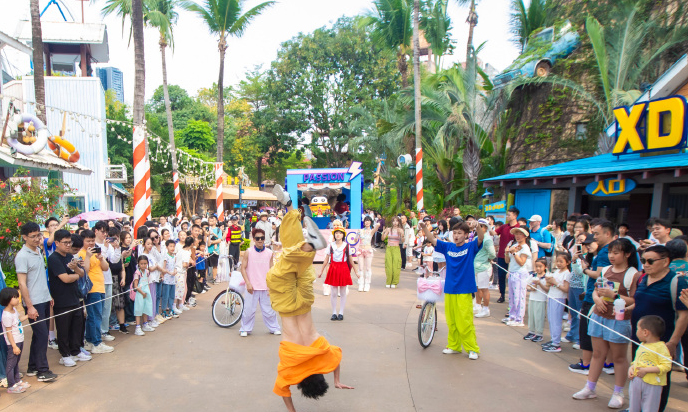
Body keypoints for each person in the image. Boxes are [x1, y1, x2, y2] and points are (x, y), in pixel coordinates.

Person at [268, 185, 352, 412]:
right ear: (301, 383)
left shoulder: (322, 354)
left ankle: (291, 211)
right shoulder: (290, 369)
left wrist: (336, 380)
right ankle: (295, 221)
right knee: (284, 263)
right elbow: (283, 390)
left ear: (319, 376)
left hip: (304, 302)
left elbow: (337, 359)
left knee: (300, 263)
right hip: (286, 305)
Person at [573, 238, 641, 408]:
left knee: (618, 357)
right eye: (610, 252)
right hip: (599, 316)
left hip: (619, 320)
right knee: (597, 354)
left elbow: (635, 299)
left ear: (627, 254)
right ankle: (590, 387)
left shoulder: (633, 274)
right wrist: (597, 300)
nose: (611, 256)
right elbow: (596, 290)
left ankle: (618, 392)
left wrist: (614, 296)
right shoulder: (606, 270)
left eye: (616, 253)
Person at [631, 245, 688, 412]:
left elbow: (683, 315)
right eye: (643, 261)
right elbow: (640, 302)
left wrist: (673, 342)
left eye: (650, 261)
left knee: (658, 379)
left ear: (665, 262)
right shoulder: (642, 278)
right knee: (639, 374)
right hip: (639, 338)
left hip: (661, 342)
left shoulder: (677, 281)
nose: (645, 264)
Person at [420, 220, 485, 359]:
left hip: (464, 289)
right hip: (450, 288)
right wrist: (424, 227)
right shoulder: (448, 246)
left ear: (466, 235)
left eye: (460, 233)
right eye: (454, 233)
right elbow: (432, 239)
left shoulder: (470, 247)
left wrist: (477, 226)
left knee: (465, 321)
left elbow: (481, 238)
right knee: (452, 320)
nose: (456, 235)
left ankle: (472, 348)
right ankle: (454, 345)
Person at [570, 221, 614, 375]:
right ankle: (608, 363)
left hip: (595, 296)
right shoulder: (607, 250)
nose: (592, 239)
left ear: (607, 234)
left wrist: (586, 269)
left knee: (587, 330)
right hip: (598, 295)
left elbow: (598, 274)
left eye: (596, 234)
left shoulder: (604, 252)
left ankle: (586, 364)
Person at [15, 222, 57, 381]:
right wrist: (30, 306)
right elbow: (22, 283)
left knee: (40, 335)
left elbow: (40, 277)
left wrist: (49, 295)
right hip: (34, 303)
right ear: (24, 237)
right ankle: (42, 371)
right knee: (42, 335)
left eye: (38, 235)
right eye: (33, 236)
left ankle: (33, 367)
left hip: (44, 298)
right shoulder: (22, 256)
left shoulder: (38, 251)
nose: (37, 239)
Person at [48, 229, 91, 367]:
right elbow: (65, 279)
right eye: (65, 242)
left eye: (69, 242)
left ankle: (75, 351)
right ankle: (65, 354)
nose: (68, 245)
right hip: (61, 299)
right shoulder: (54, 258)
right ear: (57, 243)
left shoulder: (69, 256)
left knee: (76, 326)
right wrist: (77, 275)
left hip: (74, 297)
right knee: (63, 329)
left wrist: (77, 271)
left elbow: (82, 273)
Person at [239, 228, 281, 336]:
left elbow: (272, 269)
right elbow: (243, 268)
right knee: (248, 310)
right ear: (253, 239)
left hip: (265, 286)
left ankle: (274, 327)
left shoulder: (269, 253)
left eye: (262, 238)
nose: (260, 240)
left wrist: (272, 284)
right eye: (257, 238)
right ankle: (245, 328)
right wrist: (247, 282)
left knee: (268, 310)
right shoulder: (248, 252)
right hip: (251, 287)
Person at [78, 230, 113, 354]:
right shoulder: (81, 254)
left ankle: (90, 340)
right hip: (91, 289)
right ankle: (96, 342)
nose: (91, 243)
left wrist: (100, 258)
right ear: (82, 241)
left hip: (100, 286)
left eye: (92, 240)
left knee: (96, 315)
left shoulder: (96, 253)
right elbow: (84, 271)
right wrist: (87, 256)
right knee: (94, 316)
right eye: (88, 241)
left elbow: (106, 268)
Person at [627, 315, 672, 412]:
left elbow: (667, 366)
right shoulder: (642, 345)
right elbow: (637, 360)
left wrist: (646, 370)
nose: (636, 331)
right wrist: (631, 368)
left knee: (649, 408)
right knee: (633, 407)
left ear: (645, 332)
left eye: (637, 328)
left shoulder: (661, 347)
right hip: (637, 381)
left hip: (653, 384)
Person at [320, 227, 359, 321]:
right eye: (336, 233)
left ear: (343, 235)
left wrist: (356, 271)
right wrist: (321, 271)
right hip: (333, 268)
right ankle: (334, 312)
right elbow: (326, 259)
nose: (338, 234)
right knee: (333, 292)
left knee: (342, 292)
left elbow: (350, 259)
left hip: (343, 269)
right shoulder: (331, 246)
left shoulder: (347, 246)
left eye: (340, 233)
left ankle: (341, 312)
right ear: (334, 235)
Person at [93, 220, 120, 343]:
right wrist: (104, 246)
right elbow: (100, 259)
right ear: (96, 231)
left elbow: (114, 260)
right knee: (97, 308)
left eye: (106, 232)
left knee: (107, 307)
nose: (105, 234)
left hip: (108, 278)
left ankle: (104, 330)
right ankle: (96, 332)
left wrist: (117, 249)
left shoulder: (108, 245)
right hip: (97, 280)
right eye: (102, 232)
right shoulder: (93, 245)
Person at [502, 227, 534, 327]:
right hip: (512, 272)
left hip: (520, 274)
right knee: (511, 296)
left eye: (520, 234)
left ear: (525, 236)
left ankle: (519, 318)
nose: (518, 236)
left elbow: (521, 262)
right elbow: (507, 261)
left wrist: (514, 253)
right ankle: (512, 315)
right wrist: (507, 253)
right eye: (516, 234)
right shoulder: (514, 245)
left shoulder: (525, 247)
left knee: (519, 297)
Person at [541, 253, 571, 353]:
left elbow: (566, 289)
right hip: (552, 296)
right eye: (557, 261)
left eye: (561, 261)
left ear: (567, 262)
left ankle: (556, 343)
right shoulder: (557, 271)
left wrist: (555, 282)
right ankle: (553, 339)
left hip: (559, 298)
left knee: (556, 321)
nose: (558, 263)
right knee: (551, 319)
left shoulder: (566, 273)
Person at [1, 288, 29, 394]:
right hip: (14, 342)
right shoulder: (6, 315)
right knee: (11, 364)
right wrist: (14, 346)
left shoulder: (14, 311)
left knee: (16, 362)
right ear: (8, 299)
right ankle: (11, 385)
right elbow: (8, 332)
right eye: (15, 297)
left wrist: (28, 316)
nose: (18, 300)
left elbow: (18, 321)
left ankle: (17, 381)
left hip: (19, 339)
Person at [491, 207, 520, 303]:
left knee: (513, 277)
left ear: (515, 216)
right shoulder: (504, 226)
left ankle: (514, 297)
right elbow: (494, 233)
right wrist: (487, 226)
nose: (507, 216)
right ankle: (502, 295)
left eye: (509, 214)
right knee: (501, 276)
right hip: (502, 255)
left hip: (514, 256)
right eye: (507, 214)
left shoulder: (519, 228)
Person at [474, 218, 496, 318]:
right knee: (477, 288)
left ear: (485, 228)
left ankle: (486, 308)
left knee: (484, 288)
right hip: (476, 267)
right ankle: (478, 305)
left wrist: (488, 259)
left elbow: (492, 254)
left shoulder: (487, 239)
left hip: (484, 267)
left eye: (480, 226)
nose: (478, 228)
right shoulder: (476, 238)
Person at [524, 258, 548, 342]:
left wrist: (539, 284)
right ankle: (531, 331)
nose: (538, 268)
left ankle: (539, 333)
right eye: (536, 266)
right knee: (532, 316)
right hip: (532, 298)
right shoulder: (533, 276)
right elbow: (526, 284)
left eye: (540, 266)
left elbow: (547, 289)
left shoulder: (547, 277)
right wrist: (531, 288)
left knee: (539, 317)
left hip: (541, 299)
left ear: (545, 267)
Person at [133, 255, 154, 336]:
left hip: (146, 293)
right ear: (138, 264)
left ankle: (145, 324)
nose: (143, 265)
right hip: (140, 294)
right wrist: (142, 293)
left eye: (145, 263)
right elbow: (135, 285)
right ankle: (137, 327)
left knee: (145, 308)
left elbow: (147, 283)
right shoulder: (137, 273)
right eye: (141, 264)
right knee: (138, 310)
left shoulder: (147, 272)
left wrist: (148, 292)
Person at [356, 216, 378, 292]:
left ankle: (367, 284)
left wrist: (377, 221)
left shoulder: (371, 231)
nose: (367, 222)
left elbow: (377, 226)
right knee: (360, 268)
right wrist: (357, 234)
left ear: (370, 222)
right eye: (365, 221)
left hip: (368, 250)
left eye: (368, 221)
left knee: (368, 268)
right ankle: (360, 284)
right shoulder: (361, 230)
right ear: (363, 222)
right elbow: (355, 240)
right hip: (360, 250)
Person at [382, 217, 404, 288]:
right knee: (388, 265)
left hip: (396, 248)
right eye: (393, 221)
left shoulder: (400, 230)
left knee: (396, 265)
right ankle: (388, 281)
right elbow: (383, 238)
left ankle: (394, 282)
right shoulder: (389, 229)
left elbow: (403, 241)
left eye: (396, 221)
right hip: (389, 248)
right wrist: (383, 233)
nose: (395, 223)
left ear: (398, 222)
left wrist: (402, 235)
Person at [175, 237, 194, 314]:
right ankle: (175, 306)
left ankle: (180, 304)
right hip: (180, 272)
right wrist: (189, 265)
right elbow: (184, 264)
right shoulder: (186, 252)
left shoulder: (181, 250)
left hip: (180, 272)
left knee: (181, 289)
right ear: (191, 244)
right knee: (178, 290)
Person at [161, 240, 178, 320]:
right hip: (166, 279)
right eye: (170, 246)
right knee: (165, 296)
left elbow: (175, 266)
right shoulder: (165, 256)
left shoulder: (174, 256)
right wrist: (169, 272)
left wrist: (175, 271)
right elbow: (163, 268)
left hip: (172, 280)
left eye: (173, 246)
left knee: (171, 295)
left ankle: (171, 310)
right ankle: (164, 310)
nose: (172, 248)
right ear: (167, 247)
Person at [206, 215, 222, 285]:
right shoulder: (206, 229)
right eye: (210, 221)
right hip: (207, 251)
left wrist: (211, 242)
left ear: (216, 221)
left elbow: (219, 240)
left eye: (212, 220)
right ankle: (205, 280)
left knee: (215, 265)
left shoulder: (218, 230)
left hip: (215, 251)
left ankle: (214, 278)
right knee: (206, 266)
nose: (211, 222)